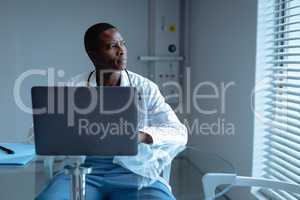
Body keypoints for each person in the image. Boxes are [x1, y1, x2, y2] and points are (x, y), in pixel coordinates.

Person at [36, 22, 188, 200]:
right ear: (93, 55)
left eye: (122, 43)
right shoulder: (72, 88)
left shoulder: (145, 88)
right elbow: (39, 135)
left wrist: (141, 135)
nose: (121, 50)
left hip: (134, 172)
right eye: (112, 46)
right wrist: (70, 133)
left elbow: (179, 132)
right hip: (82, 170)